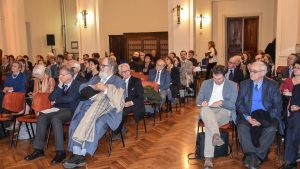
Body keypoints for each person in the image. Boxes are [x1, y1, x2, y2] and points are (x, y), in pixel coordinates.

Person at [63, 57, 125, 168]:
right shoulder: (96, 78)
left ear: (111, 67)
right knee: (77, 119)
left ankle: (83, 154)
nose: (100, 67)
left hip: (109, 112)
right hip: (89, 107)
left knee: (97, 123)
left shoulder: (118, 81)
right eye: (101, 65)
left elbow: (120, 101)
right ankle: (76, 152)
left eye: (103, 65)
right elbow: (82, 88)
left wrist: (106, 89)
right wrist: (95, 87)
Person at [24, 66, 81, 164]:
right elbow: (51, 98)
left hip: (70, 110)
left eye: (62, 75)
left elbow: (70, 99)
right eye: (59, 74)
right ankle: (38, 150)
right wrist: (59, 86)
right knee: (42, 116)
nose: (60, 77)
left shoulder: (78, 84)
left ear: (69, 76)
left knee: (56, 118)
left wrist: (57, 100)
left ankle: (60, 152)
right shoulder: (60, 84)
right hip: (57, 109)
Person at [236, 61, 283, 169]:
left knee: (271, 129)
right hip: (248, 114)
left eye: (254, 71)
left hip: (266, 116)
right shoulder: (244, 84)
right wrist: (248, 118)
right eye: (250, 70)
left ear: (263, 72)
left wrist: (261, 120)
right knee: (242, 126)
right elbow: (239, 104)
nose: (251, 73)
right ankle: (252, 154)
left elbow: (277, 107)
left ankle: (257, 156)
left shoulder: (273, 85)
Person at [196, 65, 238, 169]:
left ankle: (208, 159)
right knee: (205, 110)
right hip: (208, 110)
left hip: (224, 110)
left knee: (210, 126)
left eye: (219, 78)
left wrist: (221, 102)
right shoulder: (206, 83)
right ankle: (216, 135)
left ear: (224, 75)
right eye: (214, 78)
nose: (216, 80)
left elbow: (233, 105)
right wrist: (203, 102)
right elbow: (198, 101)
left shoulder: (232, 85)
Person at [118, 63, 145, 133]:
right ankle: (119, 128)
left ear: (130, 71)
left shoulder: (136, 81)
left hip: (133, 103)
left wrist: (130, 103)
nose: (126, 73)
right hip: (121, 102)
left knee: (121, 113)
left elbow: (141, 97)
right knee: (111, 110)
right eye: (123, 72)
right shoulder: (118, 82)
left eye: (127, 71)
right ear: (120, 73)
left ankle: (118, 132)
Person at [279, 84, 300, 169]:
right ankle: (290, 160)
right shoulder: (297, 87)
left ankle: (294, 154)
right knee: (294, 119)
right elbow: (293, 104)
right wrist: (292, 107)